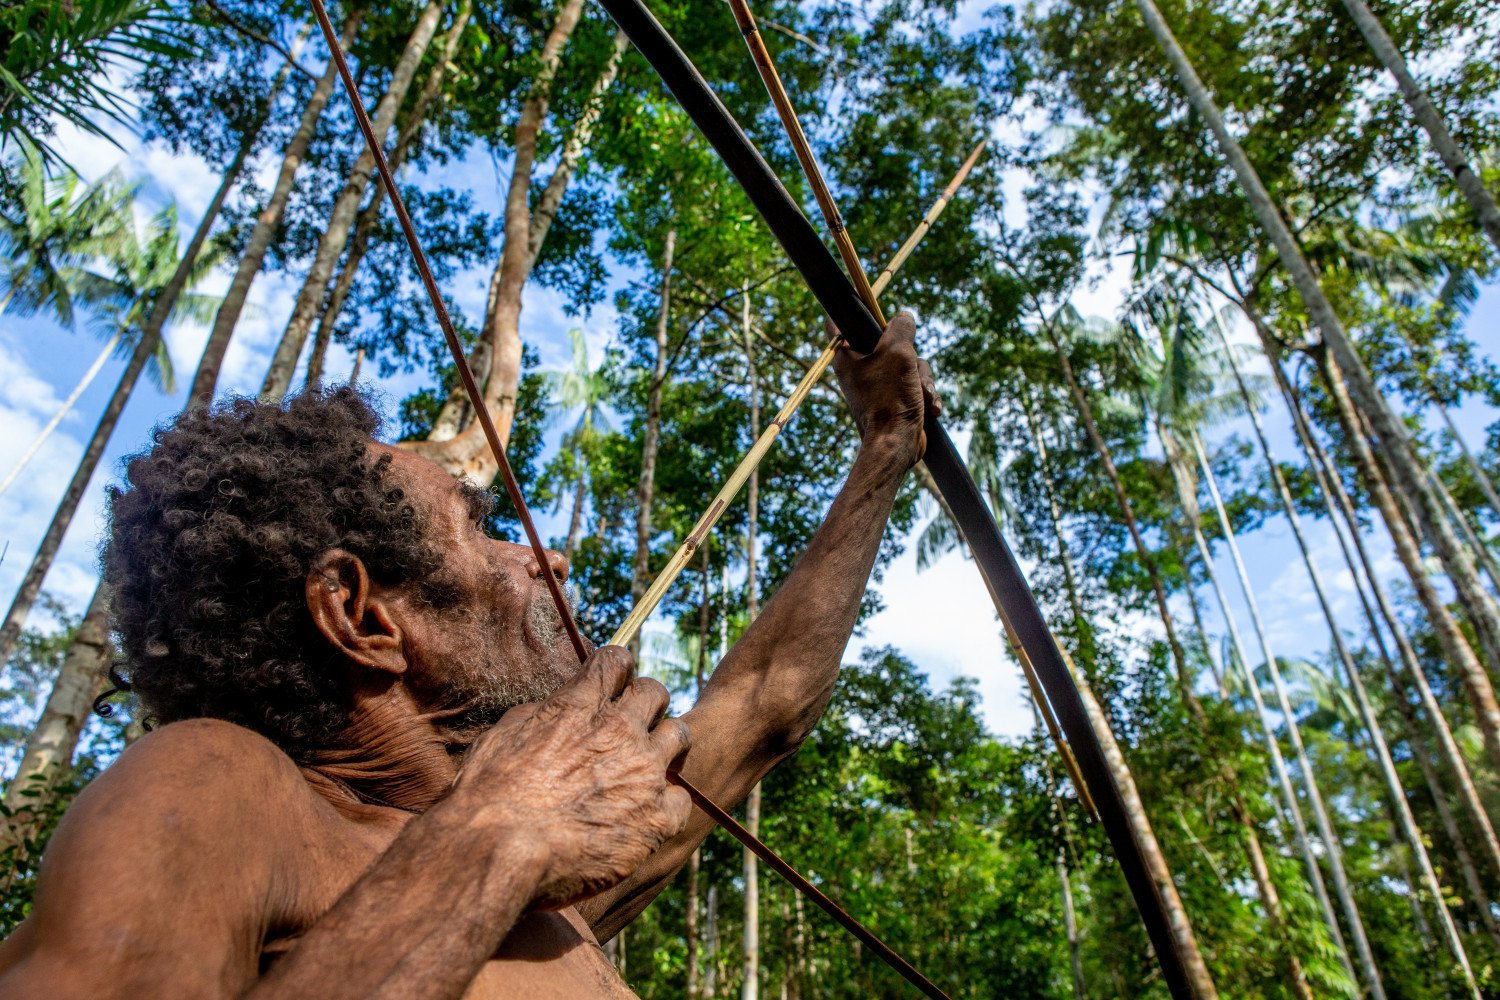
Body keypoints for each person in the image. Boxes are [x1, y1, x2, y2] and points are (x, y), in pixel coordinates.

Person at [0, 312, 935, 998]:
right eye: (480, 529)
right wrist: (503, 827)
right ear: (362, 617)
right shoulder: (218, 785)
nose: (546, 558)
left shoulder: (546, 894)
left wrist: (887, 446)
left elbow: (768, 702)